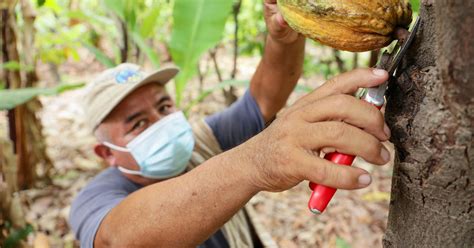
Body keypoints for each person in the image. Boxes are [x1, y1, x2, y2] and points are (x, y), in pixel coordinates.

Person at [69, 1, 392, 247]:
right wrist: (257, 162)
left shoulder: (202, 143)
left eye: (163, 106)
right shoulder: (95, 199)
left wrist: (283, 39)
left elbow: (265, 97)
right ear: (106, 153)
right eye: (138, 123)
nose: (160, 122)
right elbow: (120, 238)